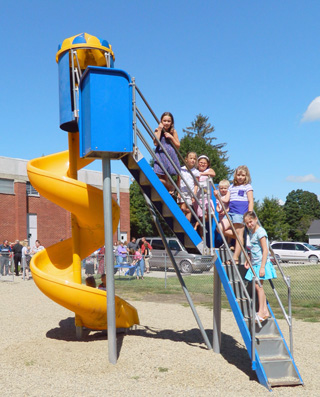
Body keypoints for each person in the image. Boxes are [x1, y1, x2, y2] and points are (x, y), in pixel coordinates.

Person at [243, 211, 277, 321]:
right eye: (247, 223)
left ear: (256, 219)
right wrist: (248, 259)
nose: (249, 224)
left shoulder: (261, 232)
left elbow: (265, 250)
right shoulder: (252, 232)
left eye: (250, 222)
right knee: (258, 286)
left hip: (261, 263)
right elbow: (253, 248)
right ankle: (264, 310)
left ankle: (262, 311)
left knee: (259, 286)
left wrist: (262, 267)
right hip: (255, 263)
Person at [218, 165, 253, 264]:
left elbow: (250, 201)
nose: (240, 177)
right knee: (219, 227)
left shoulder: (247, 187)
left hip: (241, 213)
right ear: (235, 175)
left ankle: (235, 258)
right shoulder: (232, 187)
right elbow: (226, 199)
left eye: (242, 175)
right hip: (231, 213)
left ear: (246, 176)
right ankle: (239, 239)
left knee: (239, 233)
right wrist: (218, 196)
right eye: (238, 175)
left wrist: (249, 214)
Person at [153, 112, 181, 194]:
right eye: (164, 121)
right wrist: (160, 130)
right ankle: (170, 186)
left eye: (169, 121)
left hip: (170, 153)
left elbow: (178, 145)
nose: (166, 123)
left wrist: (171, 137)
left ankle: (173, 190)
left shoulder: (173, 131)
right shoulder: (157, 130)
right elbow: (155, 143)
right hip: (160, 154)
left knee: (174, 173)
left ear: (172, 122)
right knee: (158, 175)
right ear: (161, 121)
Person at [193, 155, 216, 234]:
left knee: (210, 214)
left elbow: (213, 173)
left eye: (204, 163)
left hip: (206, 197)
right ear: (198, 163)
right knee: (201, 217)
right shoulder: (195, 171)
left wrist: (201, 174)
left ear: (207, 164)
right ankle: (202, 239)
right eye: (201, 162)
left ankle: (196, 224)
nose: (202, 164)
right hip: (198, 198)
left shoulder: (208, 170)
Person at [178, 152, 200, 222]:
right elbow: (178, 181)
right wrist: (178, 192)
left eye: (194, 159)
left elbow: (196, 184)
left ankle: (187, 223)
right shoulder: (181, 169)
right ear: (186, 159)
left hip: (190, 193)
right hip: (182, 191)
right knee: (183, 208)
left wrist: (194, 195)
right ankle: (181, 221)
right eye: (191, 158)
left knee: (188, 207)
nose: (193, 160)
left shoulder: (196, 172)